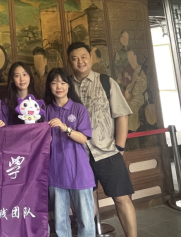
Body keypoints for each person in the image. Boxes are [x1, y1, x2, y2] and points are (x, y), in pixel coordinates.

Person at [67, 42, 137, 237]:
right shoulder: (66, 86)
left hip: (107, 151)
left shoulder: (106, 82)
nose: (80, 61)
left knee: (122, 198)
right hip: (79, 154)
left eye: (83, 56)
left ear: (90, 58)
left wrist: (120, 148)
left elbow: (121, 115)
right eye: (74, 58)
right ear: (70, 62)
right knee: (87, 202)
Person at [45, 68, 95, 238]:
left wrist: (65, 128)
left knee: (86, 220)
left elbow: (83, 138)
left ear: (68, 86)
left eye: (62, 82)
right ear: (49, 86)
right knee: (60, 222)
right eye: (54, 83)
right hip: (55, 171)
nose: (58, 86)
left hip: (79, 170)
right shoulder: (46, 110)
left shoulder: (79, 109)